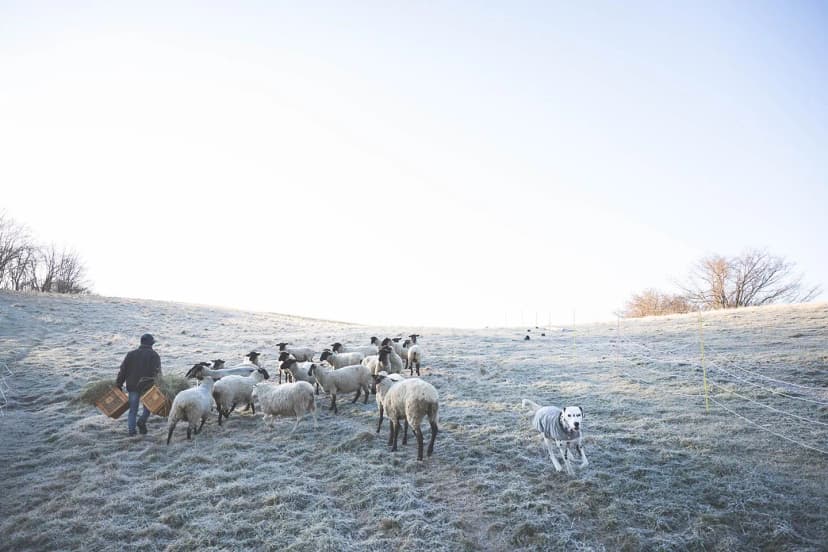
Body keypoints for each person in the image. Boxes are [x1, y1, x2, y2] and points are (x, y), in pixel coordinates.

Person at [116, 333, 162, 436]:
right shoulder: (154, 355)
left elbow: (123, 371)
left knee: (133, 410)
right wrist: (161, 386)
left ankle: (132, 433)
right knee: (148, 408)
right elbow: (158, 373)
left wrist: (118, 384)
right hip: (147, 388)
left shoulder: (130, 354)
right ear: (151, 344)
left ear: (141, 343)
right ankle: (141, 421)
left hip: (132, 386)